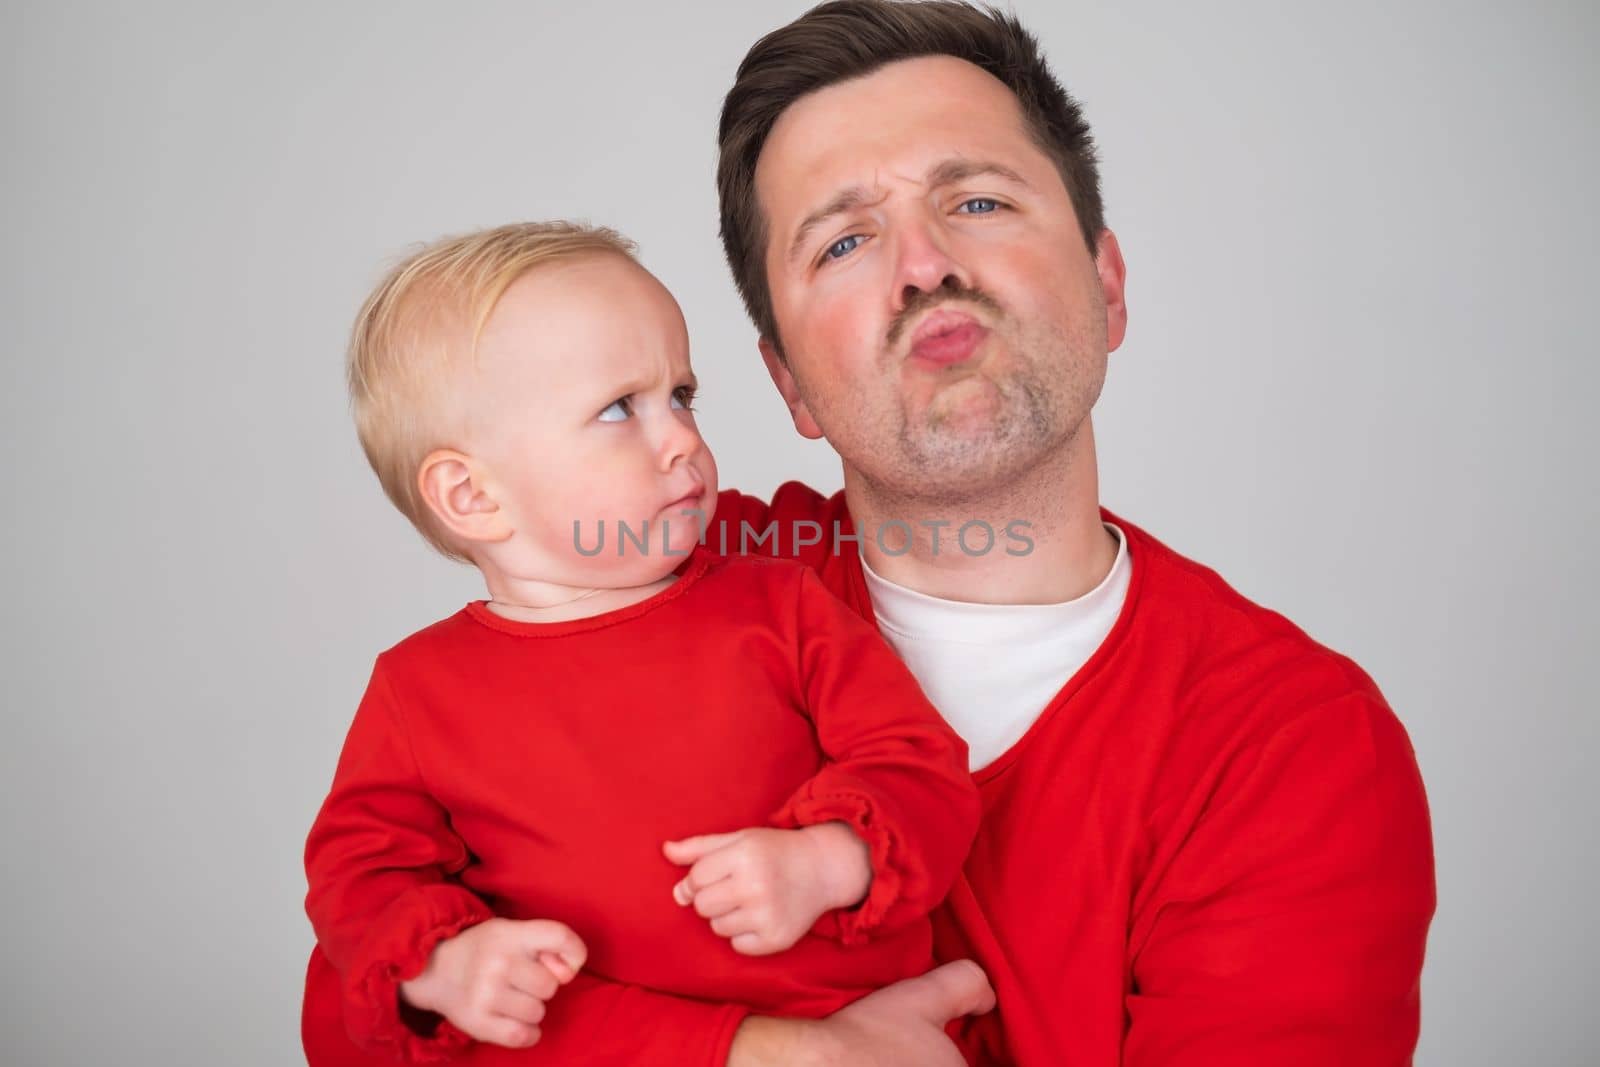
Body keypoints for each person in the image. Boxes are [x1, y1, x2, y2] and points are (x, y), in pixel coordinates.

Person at [305, 2, 1437, 1064]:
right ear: (789, 383)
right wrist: (769, 1054)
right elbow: (358, 1008)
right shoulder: (649, 580)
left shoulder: (1292, 744)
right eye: (842, 242)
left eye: (979, 201)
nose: (924, 263)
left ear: (1107, 284)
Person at [301, 221, 980, 1064]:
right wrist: (442, 963)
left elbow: (920, 764)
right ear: (471, 495)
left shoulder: (777, 601)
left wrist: (827, 861)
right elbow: (358, 878)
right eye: (620, 407)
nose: (681, 440)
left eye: (682, 396)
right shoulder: (421, 690)